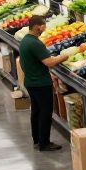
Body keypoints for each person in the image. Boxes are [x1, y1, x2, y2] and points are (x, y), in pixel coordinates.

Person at [18, 16, 70, 152]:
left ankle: (37, 139)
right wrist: (64, 56)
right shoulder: (35, 43)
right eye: (43, 26)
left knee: (36, 112)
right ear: (37, 26)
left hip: (30, 82)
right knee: (45, 113)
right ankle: (44, 143)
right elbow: (50, 63)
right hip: (40, 83)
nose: (45, 28)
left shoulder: (25, 40)